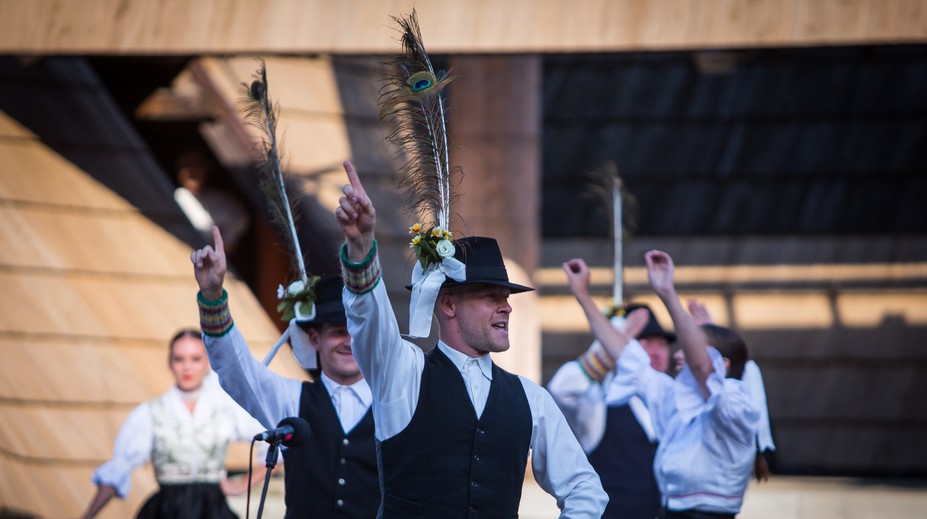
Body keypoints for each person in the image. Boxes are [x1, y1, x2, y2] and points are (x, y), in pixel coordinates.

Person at [334, 160, 608, 518]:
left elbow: (585, 488)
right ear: (448, 303)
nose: (506, 308)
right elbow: (369, 320)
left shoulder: (530, 398)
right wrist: (361, 246)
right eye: (490, 297)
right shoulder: (405, 374)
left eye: (507, 298)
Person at [190, 226, 379, 518]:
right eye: (338, 332)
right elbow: (237, 370)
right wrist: (213, 296)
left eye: (356, 331)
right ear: (315, 339)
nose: (349, 342)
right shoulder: (291, 399)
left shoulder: (391, 400)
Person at [563, 252, 760, 518]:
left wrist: (667, 292)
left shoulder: (736, 407)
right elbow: (626, 355)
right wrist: (583, 296)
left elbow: (703, 368)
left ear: (721, 365)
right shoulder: (675, 400)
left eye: (690, 350)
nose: (679, 354)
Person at [80, 330, 266, 519]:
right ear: (170, 363)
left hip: (213, 510)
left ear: (207, 363)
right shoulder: (151, 413)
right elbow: (120, 466)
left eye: (195, 359)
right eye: (179, 359)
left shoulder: (225, 409)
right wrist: (88, 515)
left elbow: (273, 441)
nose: (187, 367)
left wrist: (242, 485)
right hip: (167, 511)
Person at [547, 303, 676, 519]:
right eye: (644, 343)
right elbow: (561, 389)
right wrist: (617, 341)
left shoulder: (676, 399)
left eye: (661, 344)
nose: (655, 352)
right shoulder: (598, 401)